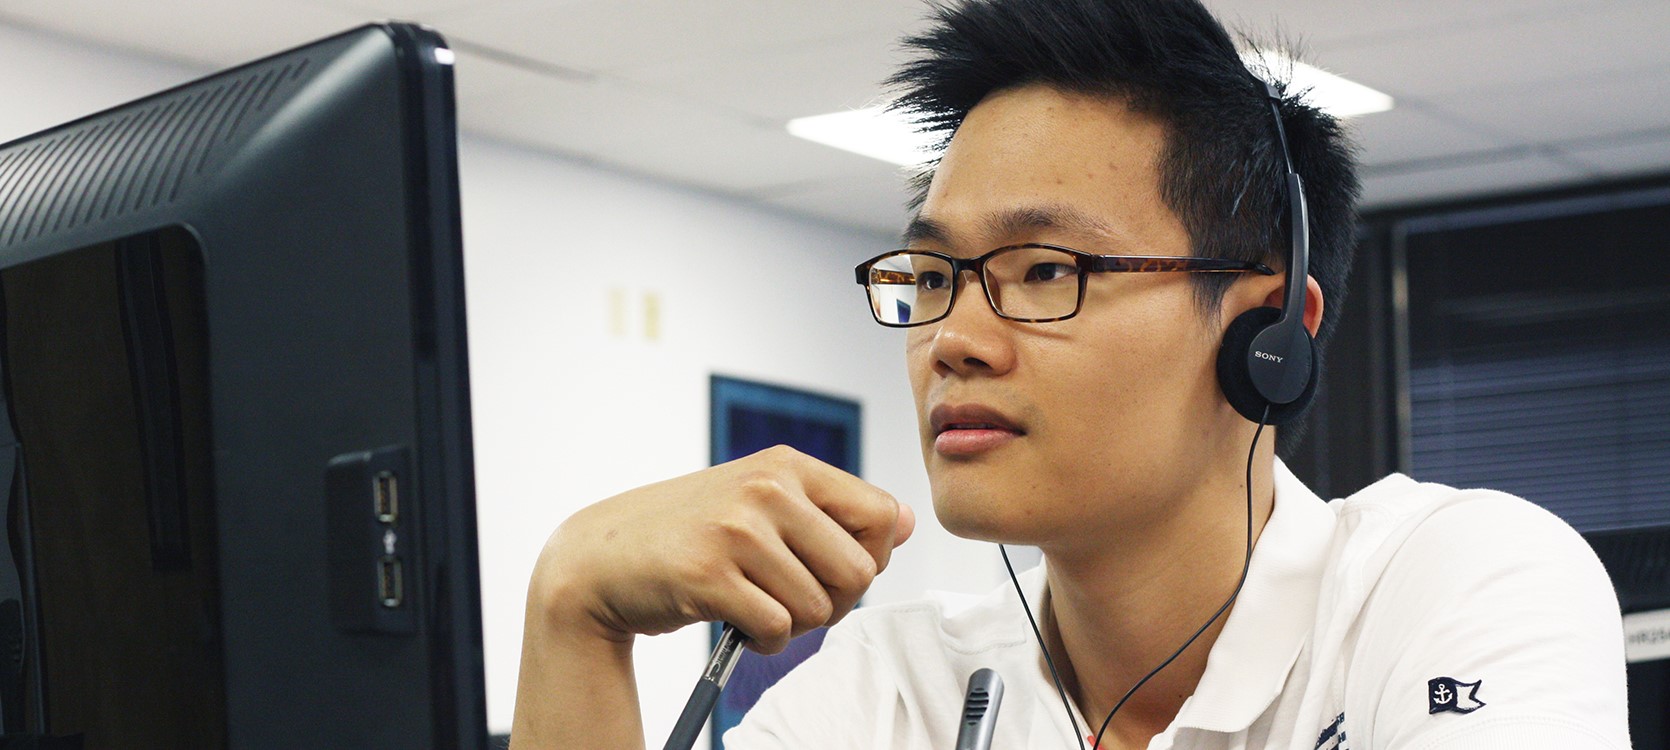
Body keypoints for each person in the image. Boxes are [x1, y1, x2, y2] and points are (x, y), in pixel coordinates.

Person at [510, 0, 1630, 747]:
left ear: (1267, 333)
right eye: (933, 275)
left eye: (1044, 270)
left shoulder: (1449, 586)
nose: (953, 337)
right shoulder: (891, 690)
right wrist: (574, 613)